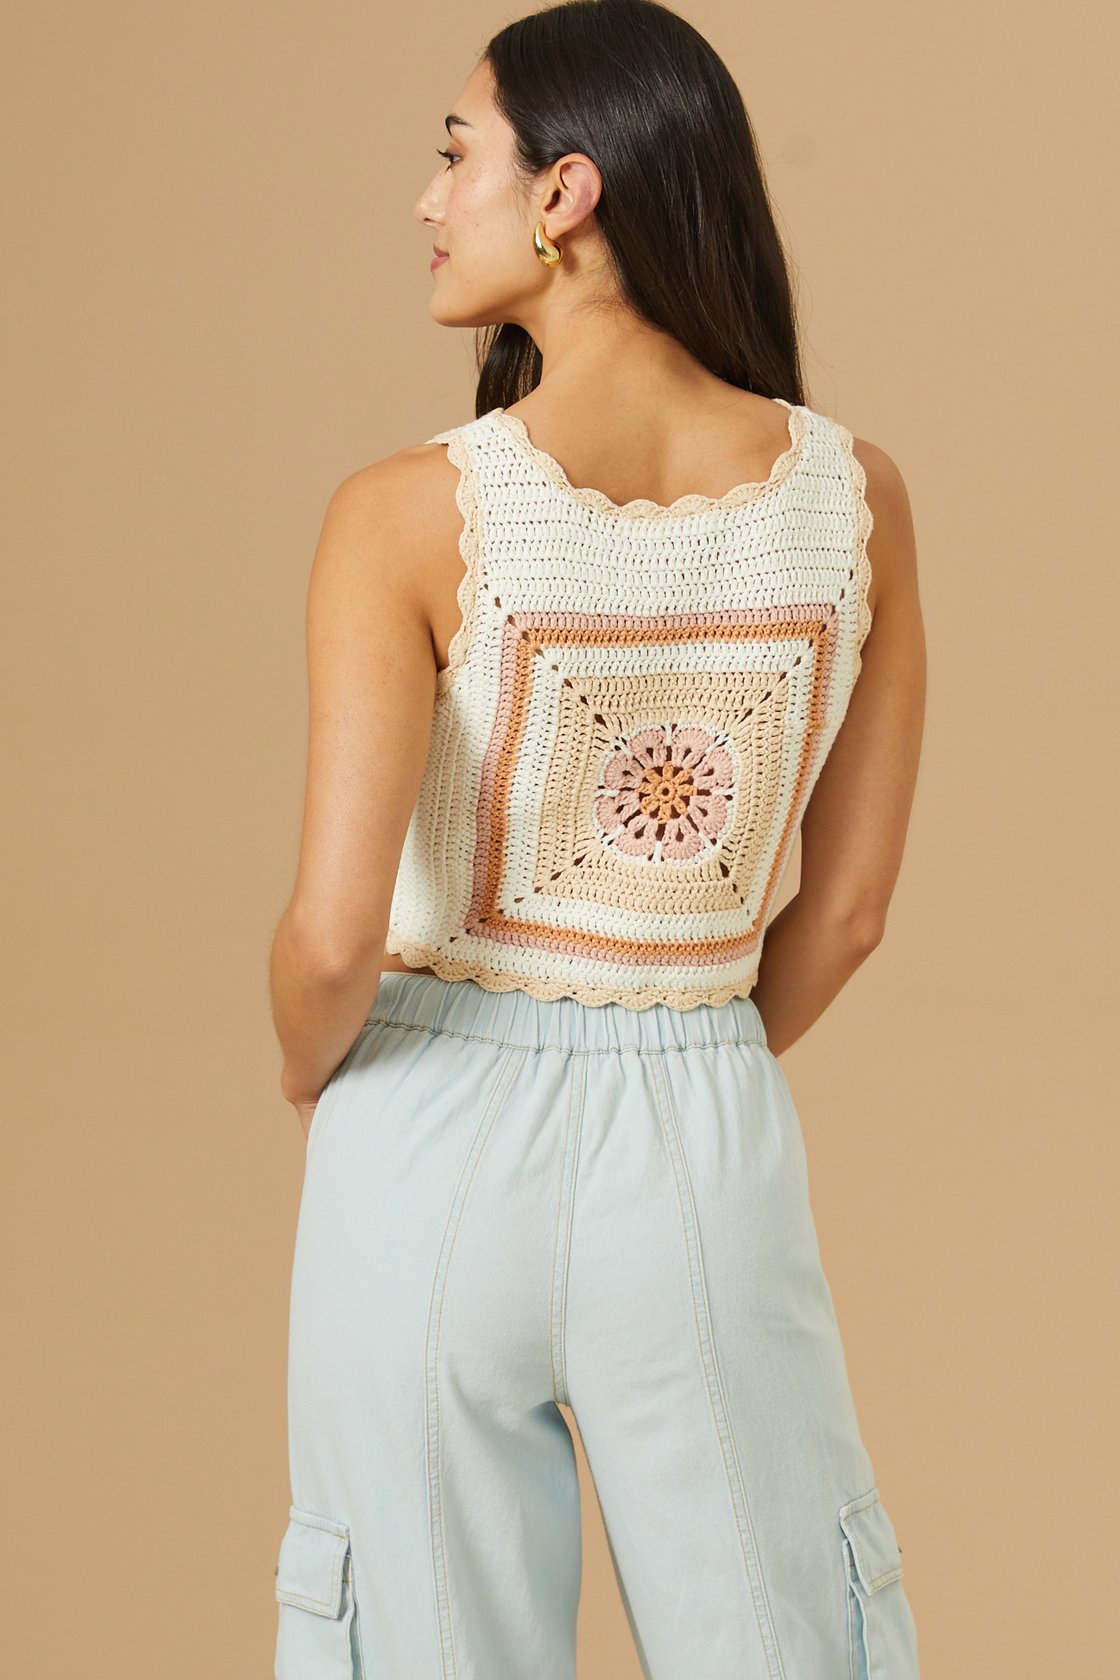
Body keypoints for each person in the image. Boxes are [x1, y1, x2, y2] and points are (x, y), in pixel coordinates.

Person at [267, 2, 926, 1676]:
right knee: (780, 1630)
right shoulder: (856, 500)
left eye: (456, 156)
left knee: (418, 1638)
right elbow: (848, 912)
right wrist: (685, 1050)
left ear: (566, 193)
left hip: (425, 1125)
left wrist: (316, 1070)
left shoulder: (402, 514)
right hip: (703, 1131)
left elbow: (331, 942)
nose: (430, 201)